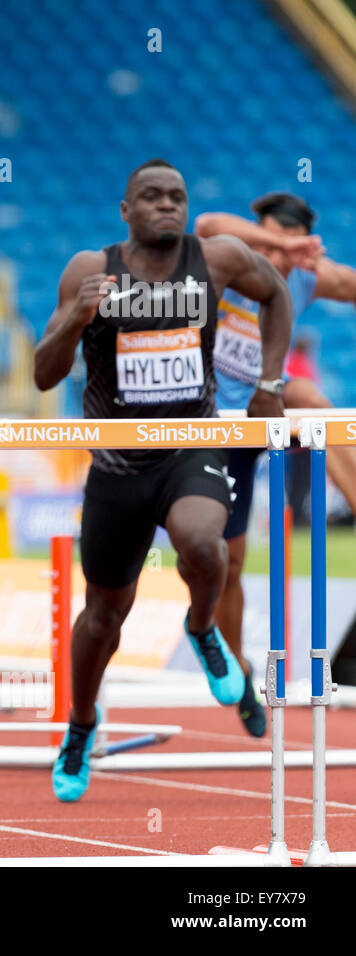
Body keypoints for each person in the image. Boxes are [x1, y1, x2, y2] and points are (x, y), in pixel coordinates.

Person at [34, 159, 291, 801]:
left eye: (177, 196)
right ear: (126, 211)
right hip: (118, 464)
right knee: (103, 617)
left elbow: (277, 295)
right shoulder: (90, 271)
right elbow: (43, 373)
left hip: (190, 447)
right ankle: (81, 723)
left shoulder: (220, 259)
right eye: (151, 197)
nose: (167, 206)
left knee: (205, 543)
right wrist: (74, 320)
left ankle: (202, 628)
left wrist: (270, 381)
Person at [194, 193, 356, 736]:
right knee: (227, 564)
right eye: (268, 244)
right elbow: (209, 222)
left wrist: (302, 258)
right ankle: (238, 670)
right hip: (213, 422)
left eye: (288, 254)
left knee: (308, 392)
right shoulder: (228, 257)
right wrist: (281, 244)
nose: (278, 261)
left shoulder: (306, 275)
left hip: (266, 408)